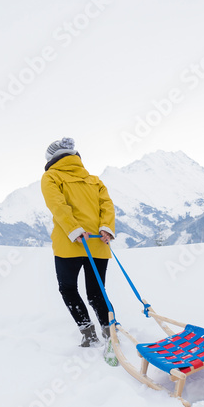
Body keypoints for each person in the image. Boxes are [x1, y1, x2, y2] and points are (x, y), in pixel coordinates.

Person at [40, 138, 116, 347]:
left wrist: (74, 230)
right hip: (98, 243)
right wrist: (106, 228)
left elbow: (58, 206)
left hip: (69, 245)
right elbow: (106, 205)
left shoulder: (51, 177)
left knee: (68, 289)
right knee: (97, 291)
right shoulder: (94, 180)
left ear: (51, 159)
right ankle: (111, 333)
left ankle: (88, 333)